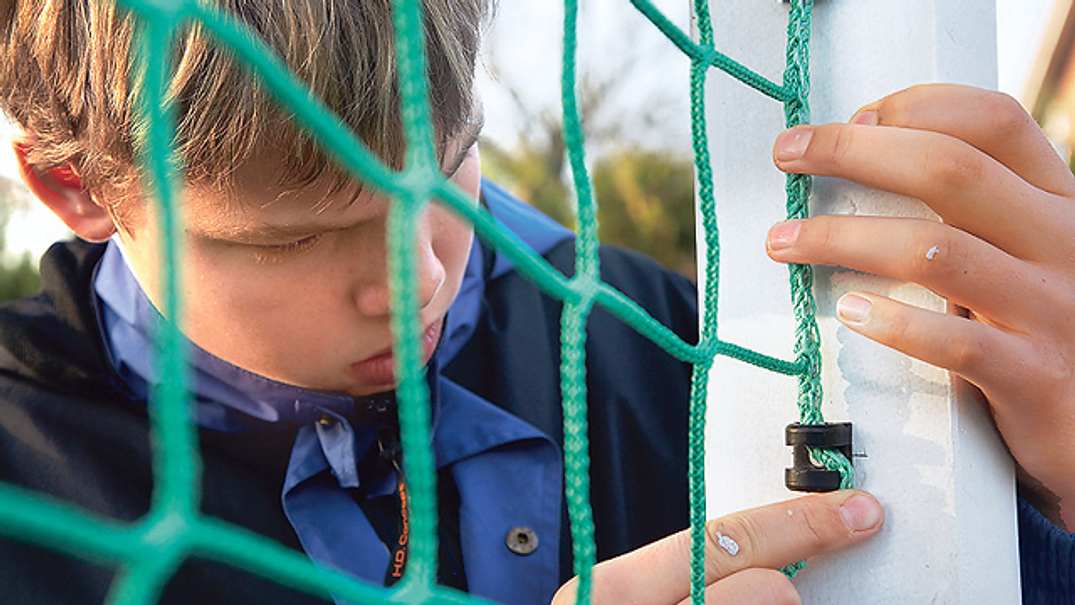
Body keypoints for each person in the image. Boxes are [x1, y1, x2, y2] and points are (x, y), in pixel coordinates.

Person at [0, 1, 1070, 604]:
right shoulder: (24, 469)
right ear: (74, 186)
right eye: (290, 238)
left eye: (448, 169)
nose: (418, 277)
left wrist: (1056, 504)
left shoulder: (695, 350)